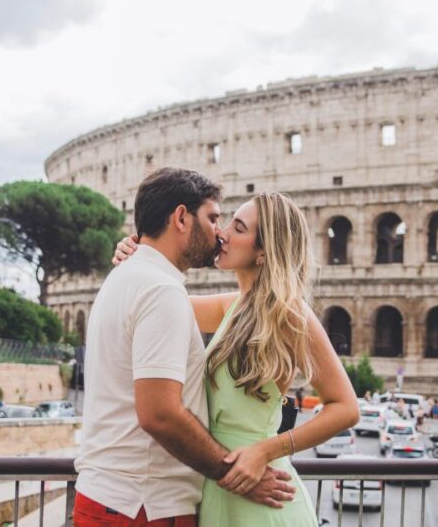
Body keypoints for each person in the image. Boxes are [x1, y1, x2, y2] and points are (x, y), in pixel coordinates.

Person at [110, 180, 360, 526]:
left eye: (238, 228)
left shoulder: (289, 312)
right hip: (220, 485)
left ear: (263, 251)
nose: (222, 234)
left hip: (261, 487)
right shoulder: (231, 306)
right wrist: (138, 257)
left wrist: (266, 451)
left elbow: (346, 408)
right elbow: (155, 298)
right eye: (226, 222)